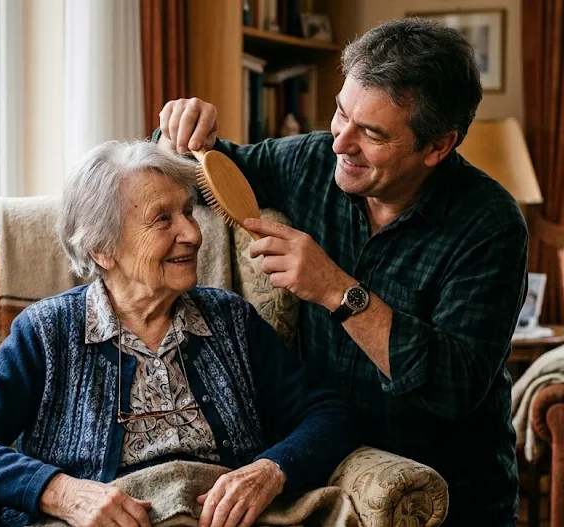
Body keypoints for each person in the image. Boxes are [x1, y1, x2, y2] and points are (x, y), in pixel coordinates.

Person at [156, 17, 527, 526]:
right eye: (340, 113)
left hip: (449, 496)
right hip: (327, 470)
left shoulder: (491, 224)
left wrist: (336, 290)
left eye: (371, 133)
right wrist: (177, 128)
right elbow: (206, 173)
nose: (340, 142)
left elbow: (455, 387)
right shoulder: (312, 160)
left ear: (438, 146)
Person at [0, 141, 357, 527]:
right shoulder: (48, 333)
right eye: (162, 219)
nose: (191, 233)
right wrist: (62, 492)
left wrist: (270, 470)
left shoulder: (230, 320)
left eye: (187, 211)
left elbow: (328, 412)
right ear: (102, 248)